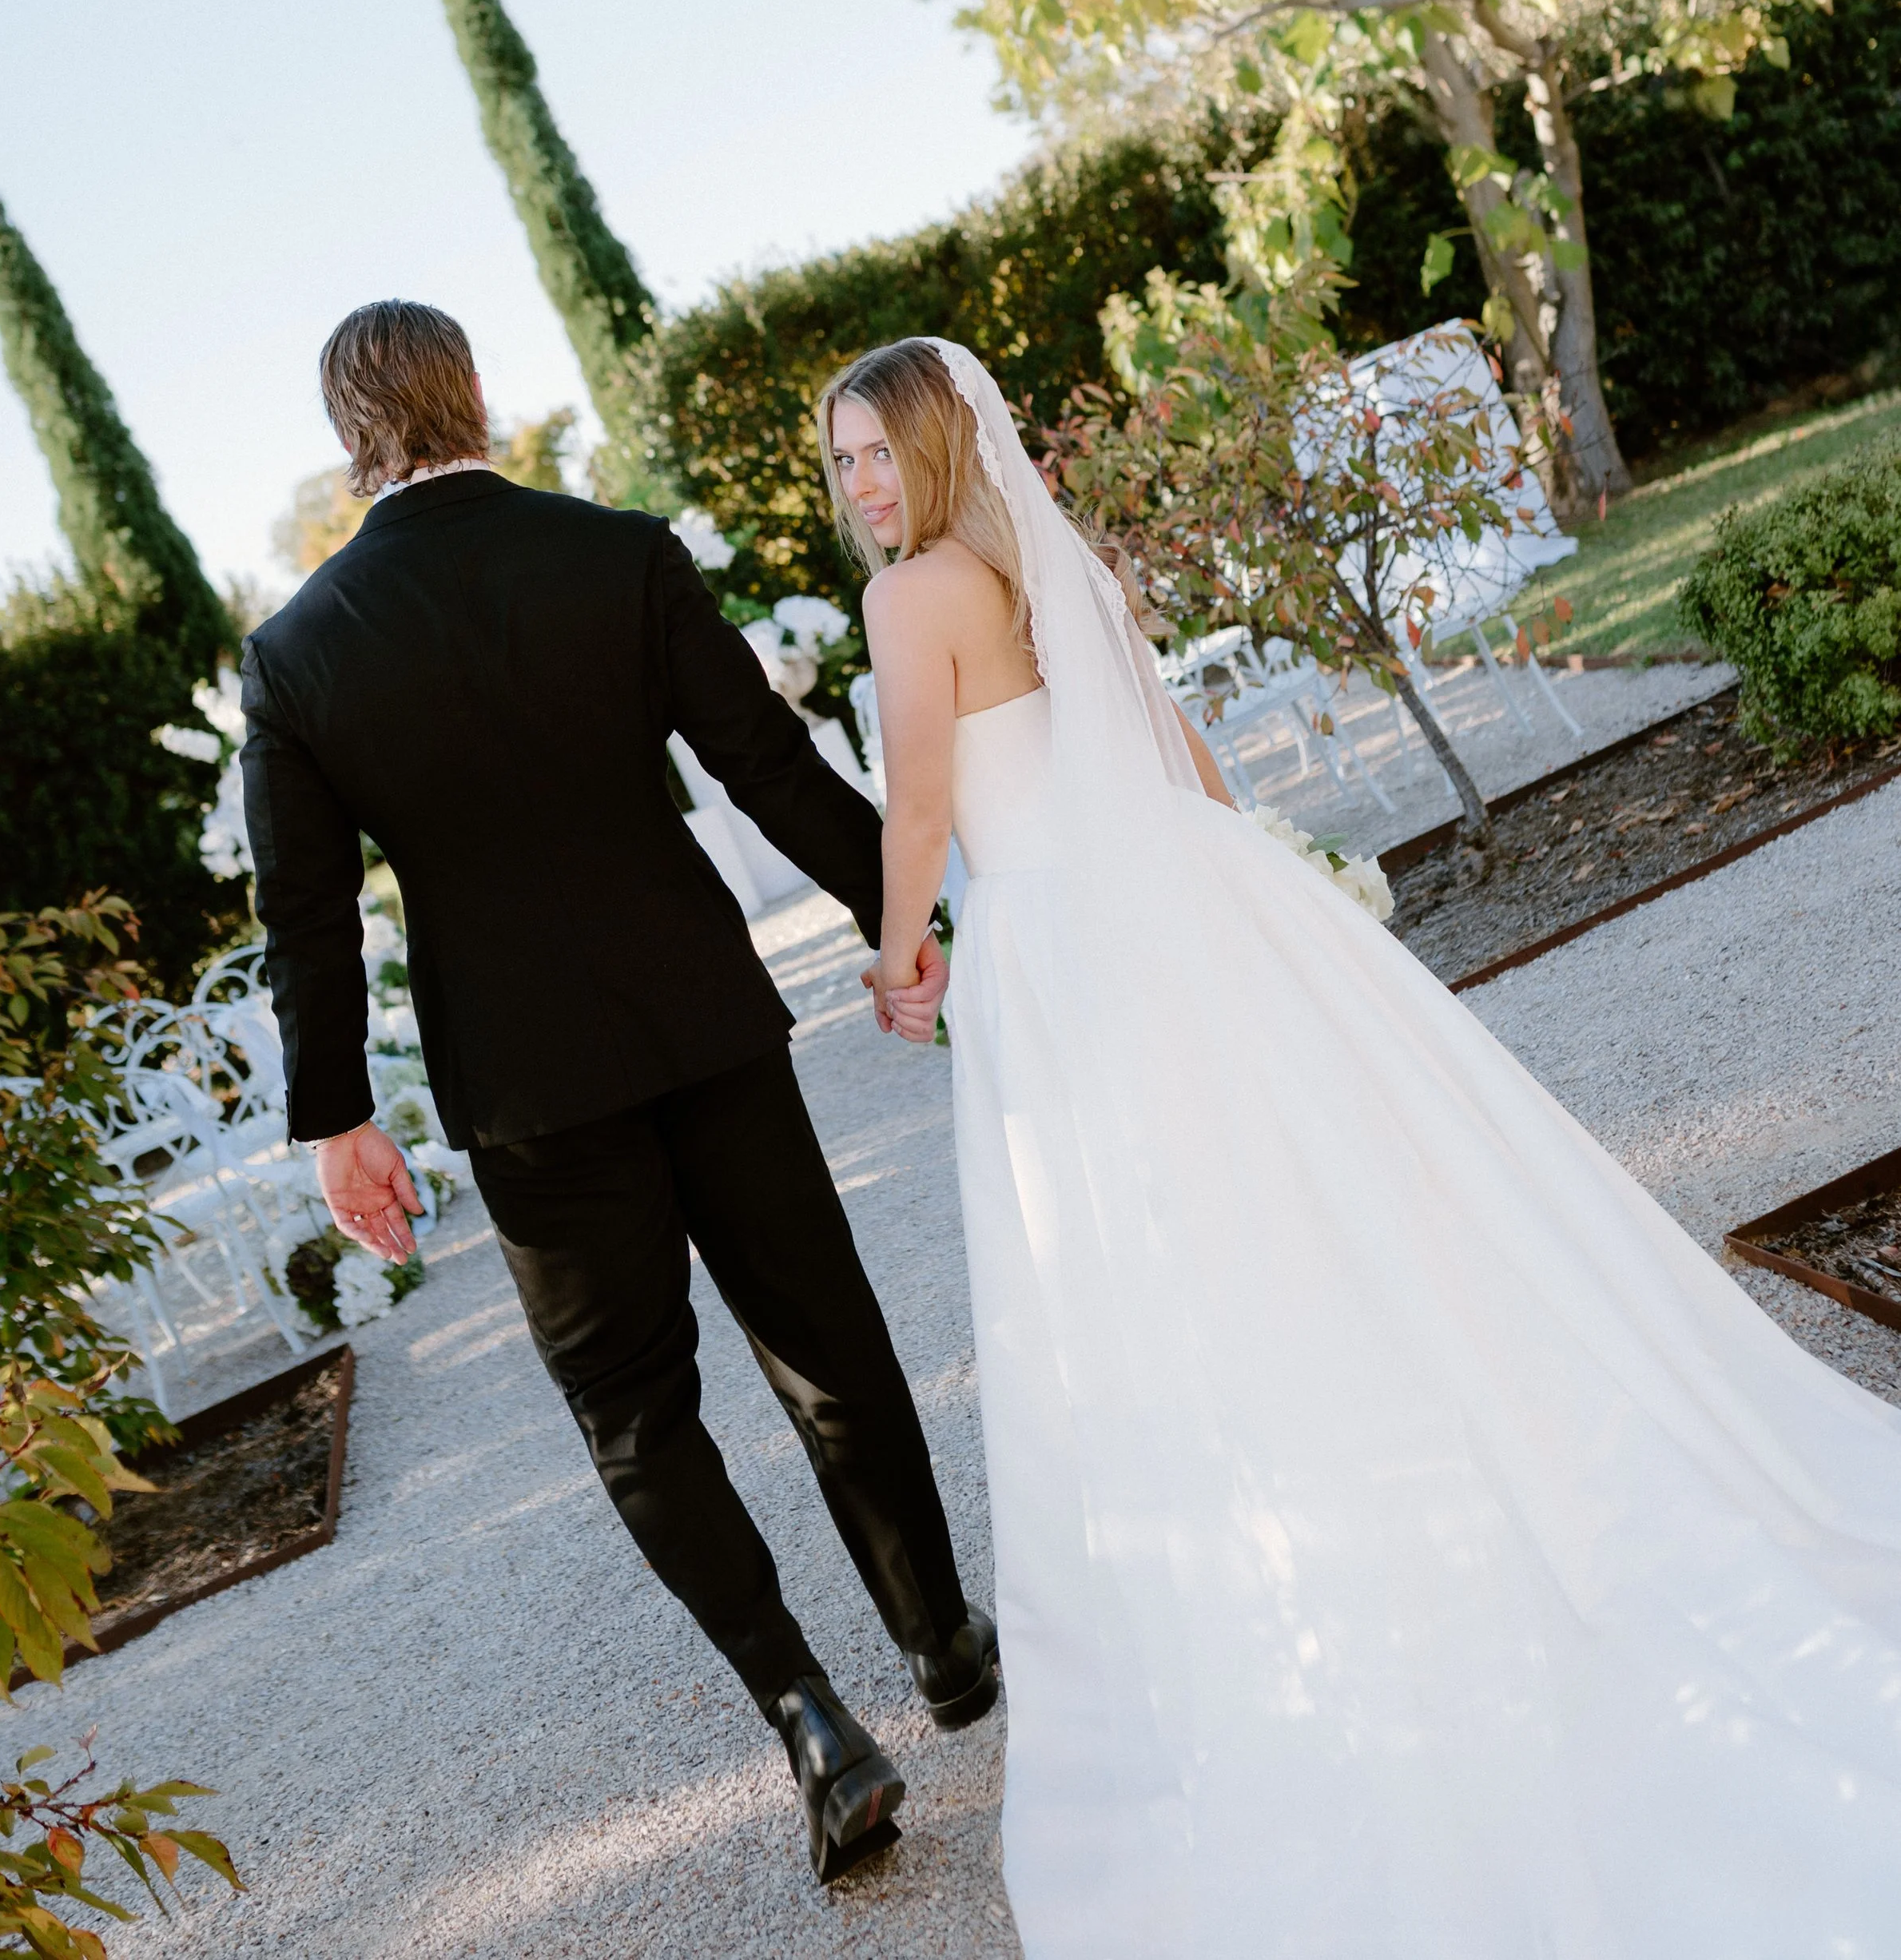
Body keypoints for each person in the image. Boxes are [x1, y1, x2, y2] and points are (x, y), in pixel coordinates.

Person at [822, 333, 1901, 1959]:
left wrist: (903, 956)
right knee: (1304, 1205)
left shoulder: (910, 599)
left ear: (938, 447)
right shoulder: (1048, 563)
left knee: (1150, 1269)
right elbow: (1174, 752)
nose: (860, 489)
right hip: (1187, 905)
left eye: (877, 454)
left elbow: (917, 809)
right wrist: (1245, 874)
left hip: (1058, 951)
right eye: (839, 464)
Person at [239, 300, 997, 1885]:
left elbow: (303, 919)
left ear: (347, 441)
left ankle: (807, 1717)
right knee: (825, 1340)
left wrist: (337, 1122)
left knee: (638, 1421)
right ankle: (941, 1645)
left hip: (525, 1094)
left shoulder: (300, 654)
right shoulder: (613, 552)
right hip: (701, 1024)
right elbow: (764, 765)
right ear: (475, 399)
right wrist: (908, 917)